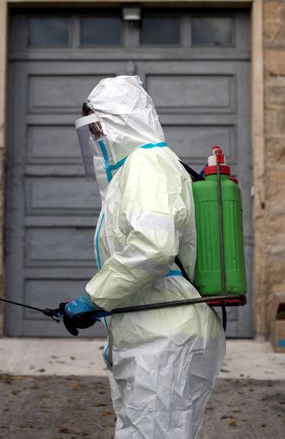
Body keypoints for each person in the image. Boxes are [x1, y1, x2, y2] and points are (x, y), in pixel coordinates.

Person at [62, 75, 226, 439]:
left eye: (99, 128)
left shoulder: (147, 165)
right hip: (153, 335)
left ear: (120, 122)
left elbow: (153, 247)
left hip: (165, 339)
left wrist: (94, 297)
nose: (96, 139)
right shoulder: (134, 172)